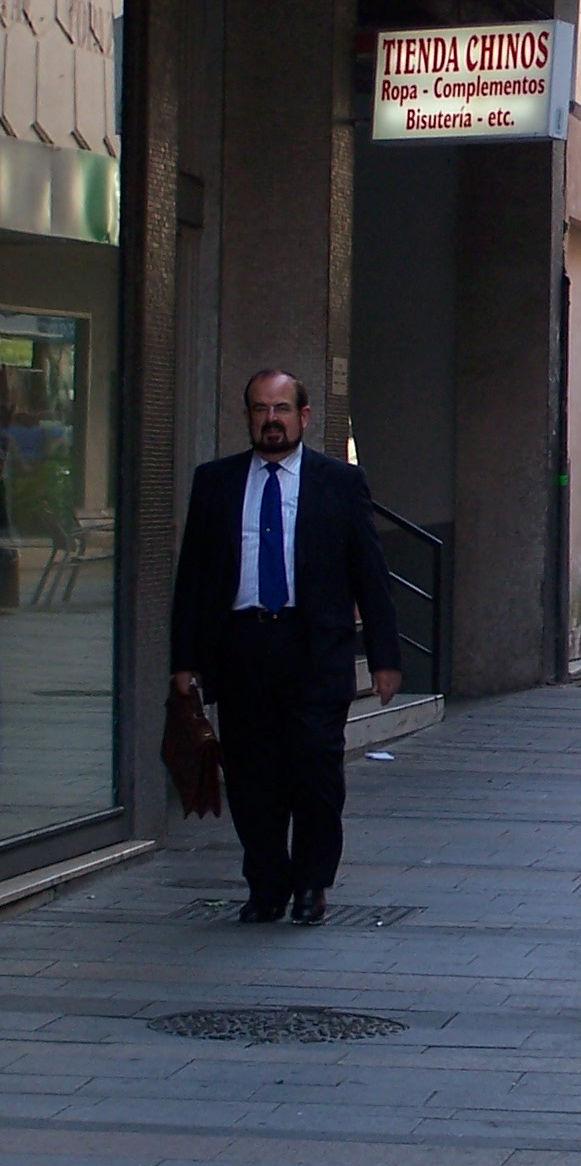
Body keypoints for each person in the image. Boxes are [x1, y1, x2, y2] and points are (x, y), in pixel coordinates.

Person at [169, 370, 402, 927]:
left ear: (303, 416)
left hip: (315, 648)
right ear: (247, 417)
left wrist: (387, 657)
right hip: (243, 647)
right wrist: (185, 663)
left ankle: (312, 884)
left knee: (317, 773)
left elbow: (370, 573)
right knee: (252, 778)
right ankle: (266, 884)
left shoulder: (339, 483)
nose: (270, 420)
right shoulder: (216, 483)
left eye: (280, 409)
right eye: (258, 410)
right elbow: (194, 579)